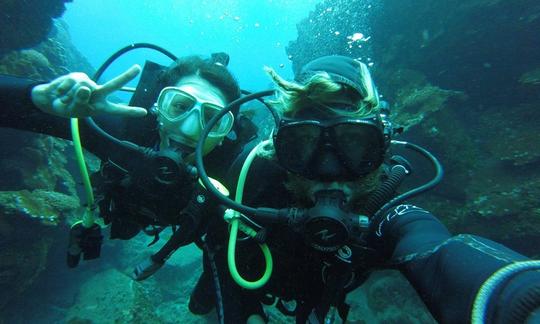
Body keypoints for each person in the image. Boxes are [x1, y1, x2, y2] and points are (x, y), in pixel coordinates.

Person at [189, 55, 540, 323]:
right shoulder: (252, 182)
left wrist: (517, 296)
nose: (328, 171)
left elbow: (436, 252)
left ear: (382, 148)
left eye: (353, 144)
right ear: (281, 149)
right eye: (305, 143)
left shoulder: (386, 205)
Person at [0, 53, 258, 280]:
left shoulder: (232, 178)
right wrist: (35, 97)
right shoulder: (121, 133)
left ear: (226, 133)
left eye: (212, 119)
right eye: (180, 106)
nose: (190, 129)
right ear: (158, 107)